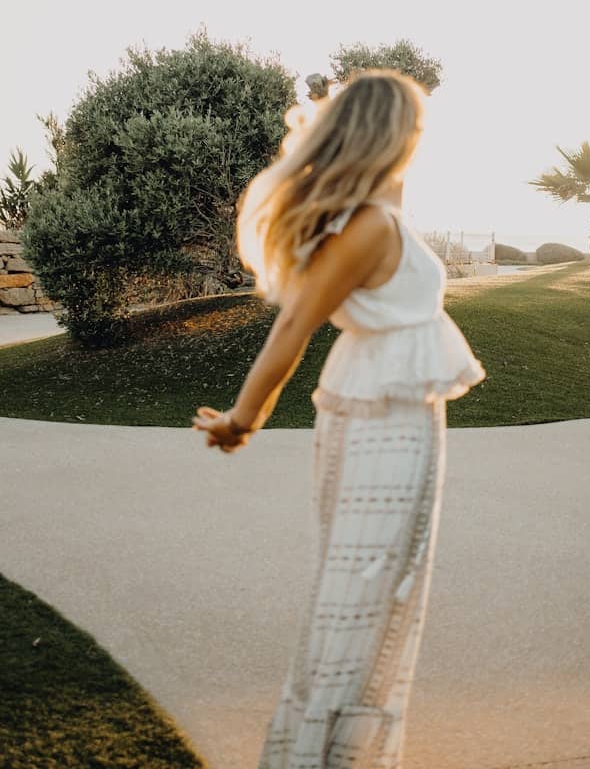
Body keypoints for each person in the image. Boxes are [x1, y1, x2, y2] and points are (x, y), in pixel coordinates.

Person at [192, 68, 486, 768]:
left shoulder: (377, 211)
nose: (421, 137)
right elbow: (293, 324)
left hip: (387, 409)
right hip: (383, 421)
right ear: (391, 134)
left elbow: (385, 186)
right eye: (413, 126)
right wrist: (244, 418)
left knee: (375, 590)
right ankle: (324, 756)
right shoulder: (368, 227)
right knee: (365, 593)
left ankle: (339, 752)